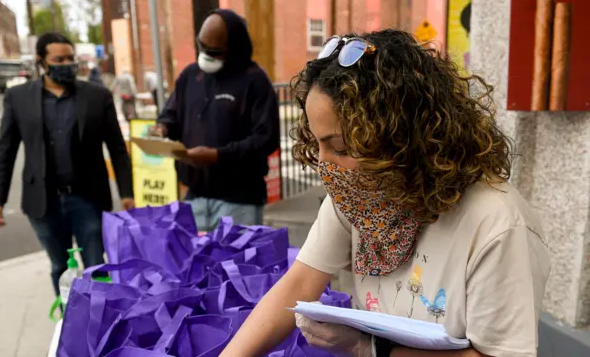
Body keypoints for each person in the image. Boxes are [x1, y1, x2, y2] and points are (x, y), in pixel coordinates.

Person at [220, 30, 551, 357]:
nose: (324, 164)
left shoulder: (498, 225)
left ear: (405, 138)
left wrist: (373, 350)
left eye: (340, 146)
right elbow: (299, 282)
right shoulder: (358, 194)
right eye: (317, 143)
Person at [0, 32, 135, 298]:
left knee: (97, 266)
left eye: (70, 58)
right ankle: (69, 319)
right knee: (59, 267)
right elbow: (5, 150)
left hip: (87, 198)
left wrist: (127, 192)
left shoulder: (97, 96)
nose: (67, 64)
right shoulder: (18, 98)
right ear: (42, 62)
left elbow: (117, 148)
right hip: (43, 203)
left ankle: (102, 319)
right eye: (59, 59)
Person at [150, 9, 280, 231]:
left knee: (235, 265)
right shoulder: (190, 76)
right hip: (195, 197)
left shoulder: (255, 81)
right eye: (202, 47)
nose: (207, 55)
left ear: (234, 49)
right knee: (196, 265)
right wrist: (161, 128)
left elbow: (265, 139)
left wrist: (218, 155)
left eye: (215, 51)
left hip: (239, 201)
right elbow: (170, 114)